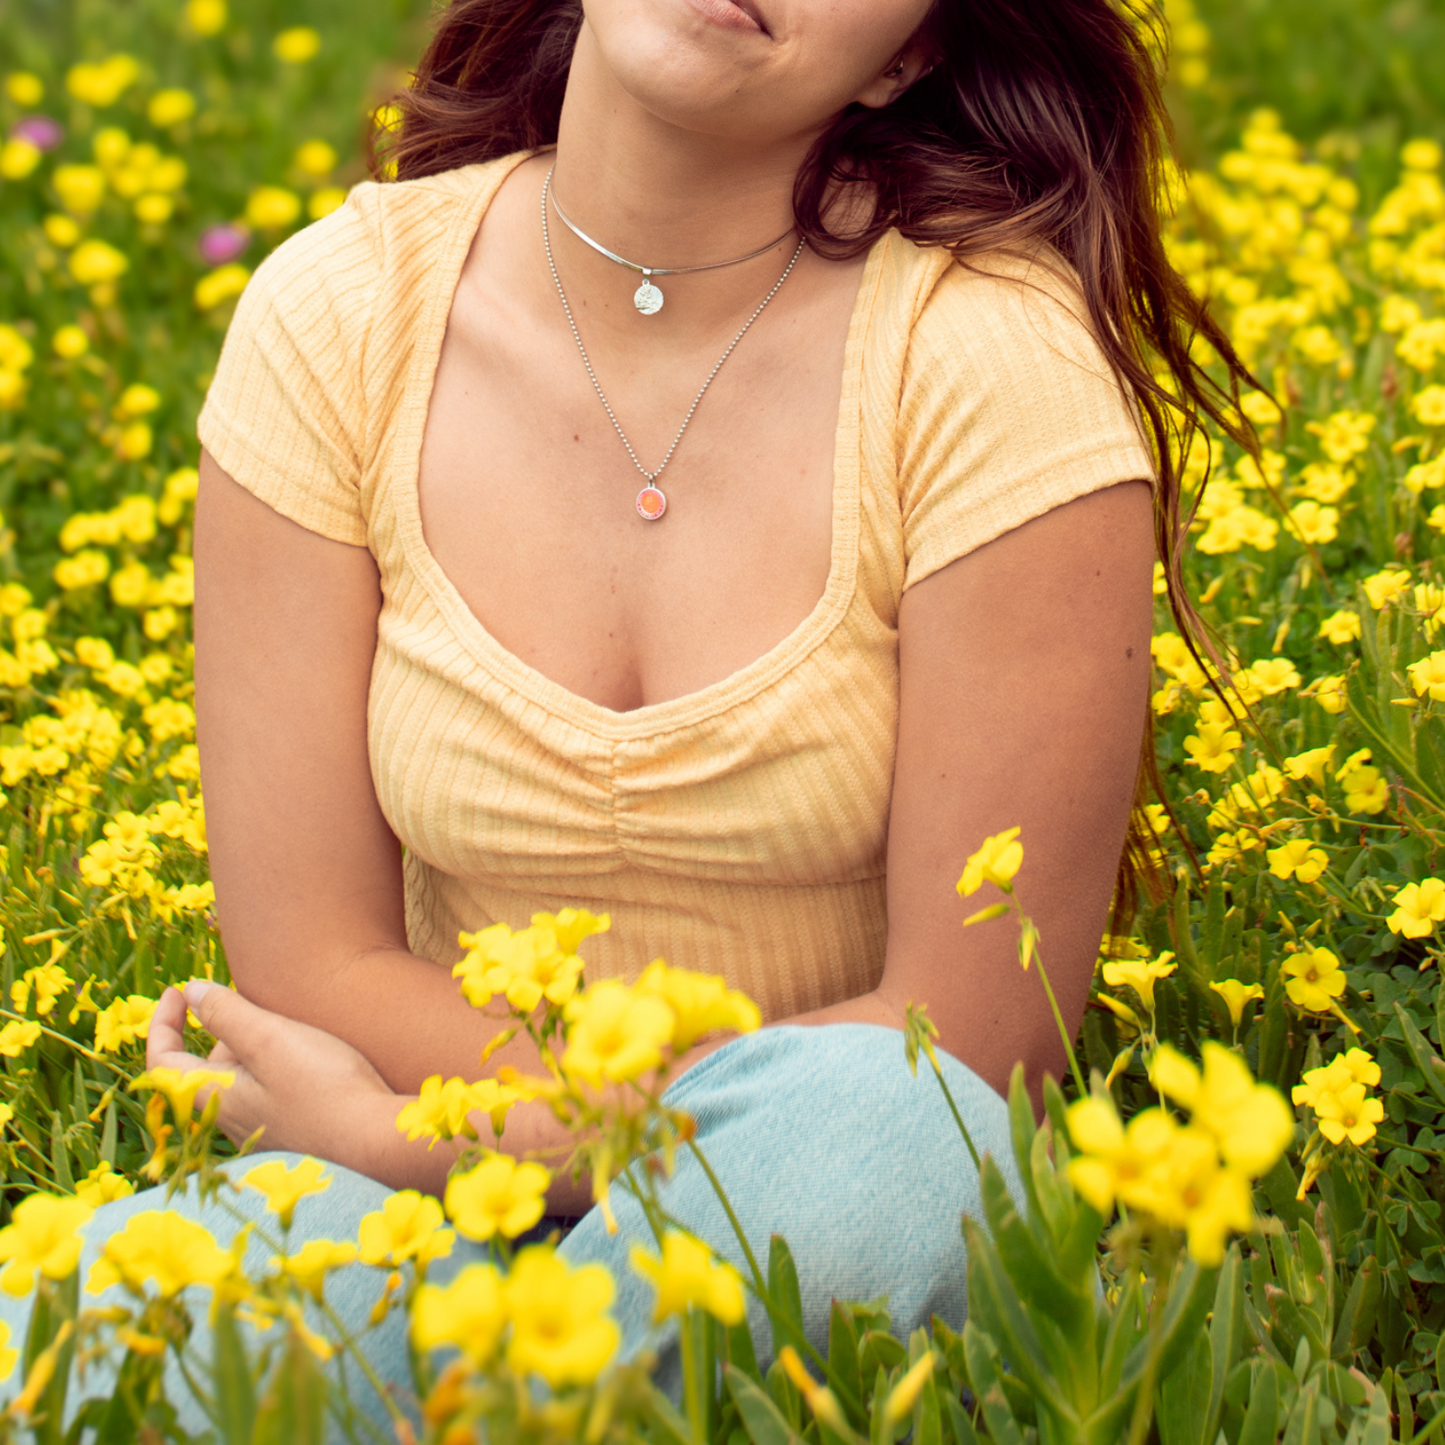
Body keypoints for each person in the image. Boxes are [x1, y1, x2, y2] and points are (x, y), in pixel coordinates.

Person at [20, 0, 1254, 1425]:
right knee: (82, 1323)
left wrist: (419, 1141)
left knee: (890, 1131)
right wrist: (442, 1175)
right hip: (397, 1215)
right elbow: (313, 960)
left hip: (788, 1211)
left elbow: (965, 1046)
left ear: (910, 56)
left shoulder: (993, 371)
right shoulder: (338, 317)